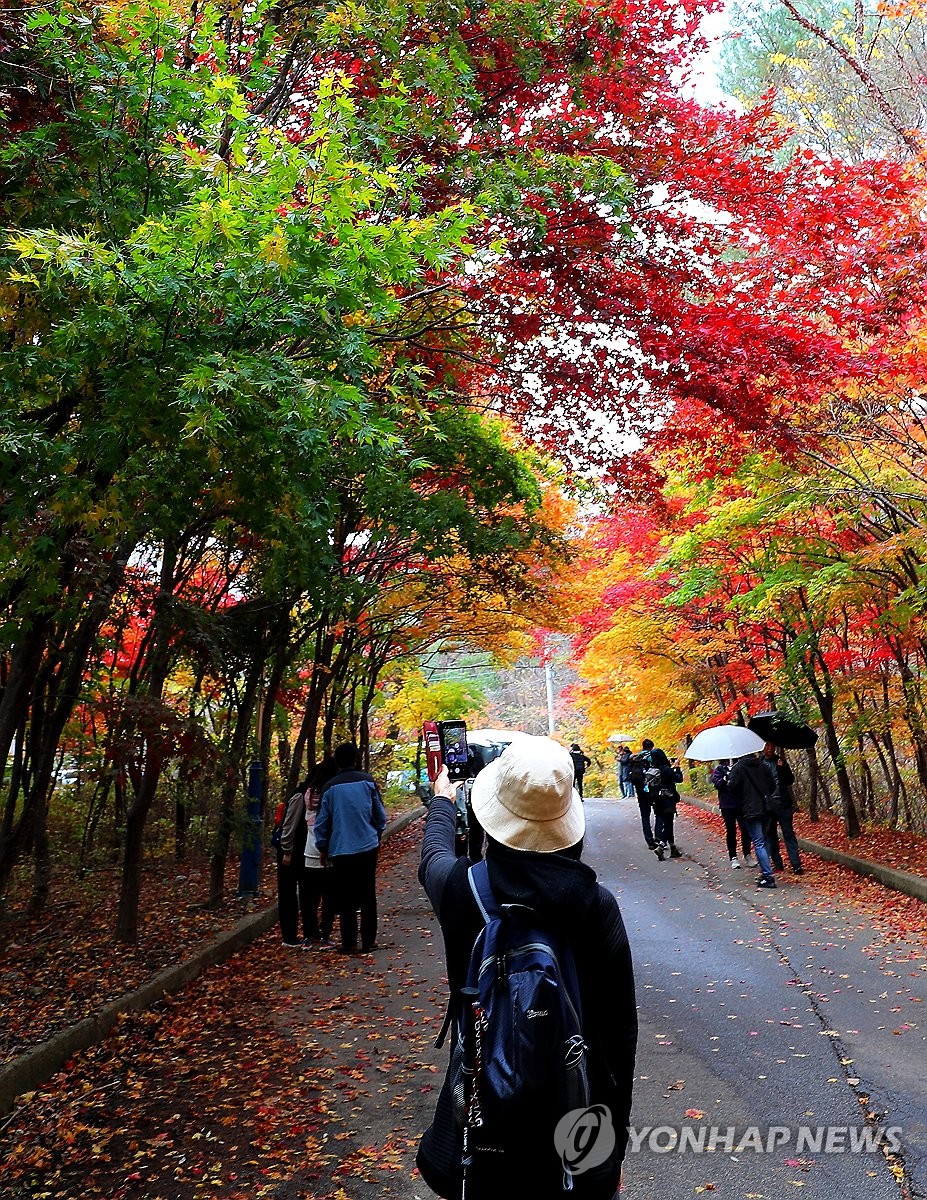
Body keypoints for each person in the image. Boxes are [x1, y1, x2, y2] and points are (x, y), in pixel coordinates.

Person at [417, 736, 637, 1200]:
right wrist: (612, 1146)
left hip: (483, 1110)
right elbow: (620, 1037)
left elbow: (432, 859)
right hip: (578, 1115)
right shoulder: (595, 905)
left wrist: (441, 802)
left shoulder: (463, 890)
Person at [314, 742, 387, 955]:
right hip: (367, 845)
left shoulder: (329, 787)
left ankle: (349, 943)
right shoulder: (367, 782)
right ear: (356, 758)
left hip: (340, 849)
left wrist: (322, 846)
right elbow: (379, 815)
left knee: (346, 896)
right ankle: (369, 940)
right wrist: (378, 833)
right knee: (367, 894)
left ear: (337, 761)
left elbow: (322, 822)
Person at [301, 756, 339, 948]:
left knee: (309, 898)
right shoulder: (331, 794)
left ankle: (309, 935)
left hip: (309, 849)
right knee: (329, 898)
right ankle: (325, 935)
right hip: (328, 850)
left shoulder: (308, 793)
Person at [727, 751, 779, 889]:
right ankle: (766, 870)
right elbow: (773, 786)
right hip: (766, 808)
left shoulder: (738, 768)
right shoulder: (763, 766)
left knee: (758, 841)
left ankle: (768, 875)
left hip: (749, 809)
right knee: (765, 839)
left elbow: (732, 788)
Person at [278, 776, 311, 947]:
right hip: (291, 852)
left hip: (299, 851)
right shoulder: (300, 797)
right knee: (288, 892)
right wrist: (286, 850)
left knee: (301, 891)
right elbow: (289, 826)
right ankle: (289, 936)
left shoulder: (306, 795)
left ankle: (305, 934)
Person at [761, 743, 803, 874]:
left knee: (788, 834)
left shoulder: (781, 762)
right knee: (770, 835)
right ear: (763, 748)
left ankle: (796, 864)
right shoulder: (760, 764)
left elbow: (790, 780)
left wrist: (782, 768)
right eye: (767, 747)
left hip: (783, 804)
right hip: (768, 804)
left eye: (772, 747)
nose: (769, 749)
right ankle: (777, 863)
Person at [711, 759, 753, 870]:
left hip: (740, 803)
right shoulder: (719, 769)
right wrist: (725, 778)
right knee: (731, 830)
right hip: (727, 805)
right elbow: (716, 783)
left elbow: (745, 783)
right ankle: (733, 857)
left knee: (745, 829)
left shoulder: (740, 767)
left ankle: (747, 854)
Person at [649, 749, 684, 860]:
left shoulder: (652, 770)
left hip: (657, 801)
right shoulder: (666, 769)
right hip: (667, 800)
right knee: (668, 825)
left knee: (667, 824)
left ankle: (673, 849)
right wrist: (677, 767)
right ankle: (661, 846)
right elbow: (679, 779)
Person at [630, 738, 658, 848]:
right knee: (658, 814)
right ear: (652, 746)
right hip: (653, 789)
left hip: (640, 790)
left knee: (645, 816)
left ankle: (649, 840)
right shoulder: (653, 756)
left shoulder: (636, 758)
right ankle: (659, 837)